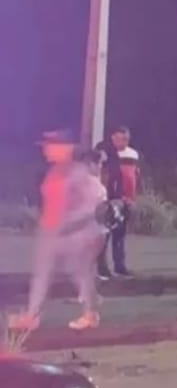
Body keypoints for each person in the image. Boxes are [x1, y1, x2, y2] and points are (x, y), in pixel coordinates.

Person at [8, 130, 107, 331]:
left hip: (77, 233)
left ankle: (90, 313)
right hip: (51, 231)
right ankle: (31, 316)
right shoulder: (54, 172)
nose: (46, 150)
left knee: (79, 273)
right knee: (41, 275)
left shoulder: (79, 172)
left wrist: (69, 224)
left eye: (50, 146)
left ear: (66, 148)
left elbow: (91, 206)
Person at [94, 126, 139, 279]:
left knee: (119, 234)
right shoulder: (106, 151)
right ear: (113, 137)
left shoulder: (132, 154)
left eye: (126, 139)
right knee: (104, 235)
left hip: (123, 199)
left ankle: (120, 266)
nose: (123, 142)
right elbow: (104, 175)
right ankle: (101, 268)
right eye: (120, 138)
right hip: (108, 199)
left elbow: (132, 177)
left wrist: (130, 197)